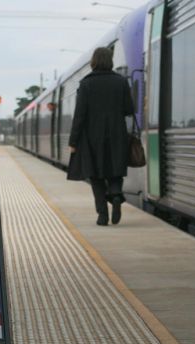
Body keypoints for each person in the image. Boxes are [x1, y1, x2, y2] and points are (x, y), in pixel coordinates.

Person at [67, 47, 134, 226]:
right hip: (116, 135)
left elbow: (79, 115)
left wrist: (73, 142)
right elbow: (129, 109)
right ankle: (116, 195)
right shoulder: (120, 82)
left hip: (91, 138)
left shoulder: (86, 83)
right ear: (110, 61)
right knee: (115, 171)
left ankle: (102, 215)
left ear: (94, 61)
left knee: (96, 176)